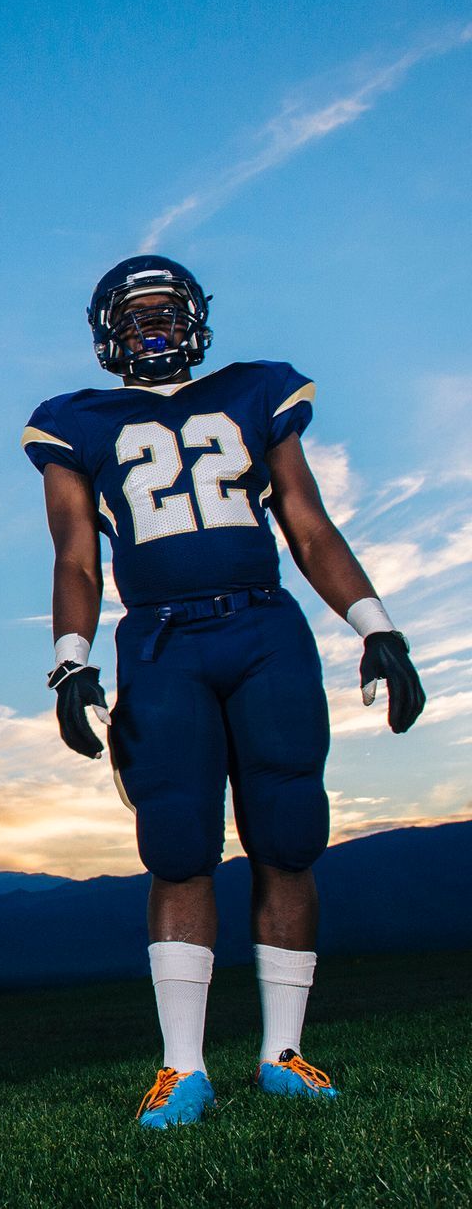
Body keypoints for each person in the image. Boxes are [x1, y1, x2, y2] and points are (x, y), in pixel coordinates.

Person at [23, 255, 426, 1129]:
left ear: (196, 317)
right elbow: (76, 556)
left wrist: (376, 626)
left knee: (289, 830)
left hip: (262, 629)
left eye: (166, 310)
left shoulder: (255, 393)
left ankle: (283, 1052)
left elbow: (308, 522)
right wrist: (69, 659)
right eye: (135, 317)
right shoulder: (74, 423)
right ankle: (183, 1068)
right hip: (162, 639)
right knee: (176, 843)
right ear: (106, 333)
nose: (153, 327)